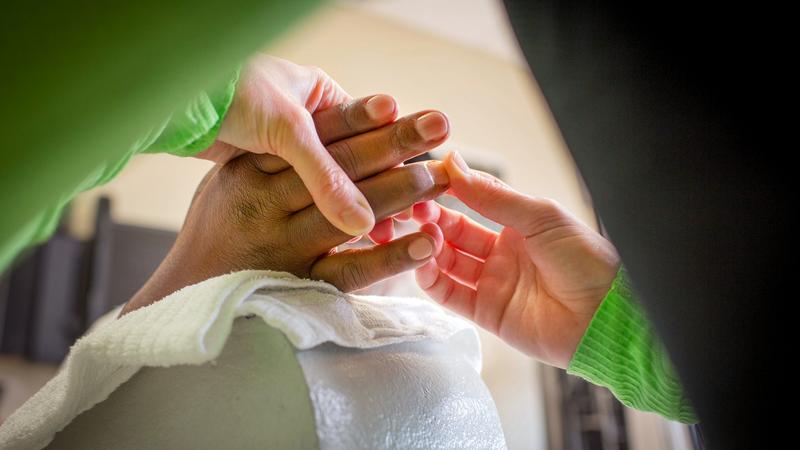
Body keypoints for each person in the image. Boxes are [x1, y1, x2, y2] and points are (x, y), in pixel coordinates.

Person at [0, 101, 507, 450]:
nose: (353, 238)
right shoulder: (163, 328)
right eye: (351, 216)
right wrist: (189, 282)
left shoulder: (430, 358)